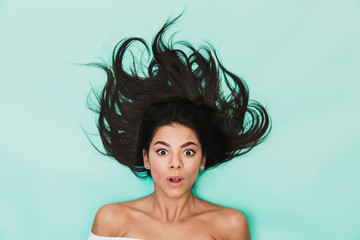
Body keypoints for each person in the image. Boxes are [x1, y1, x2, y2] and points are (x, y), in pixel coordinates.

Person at [87, 15, 271, 240]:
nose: (176, 164)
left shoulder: (230, 224)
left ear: (202, 160)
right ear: (146, 158)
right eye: (162, 151)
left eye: (188, 152)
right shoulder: (112, 219)